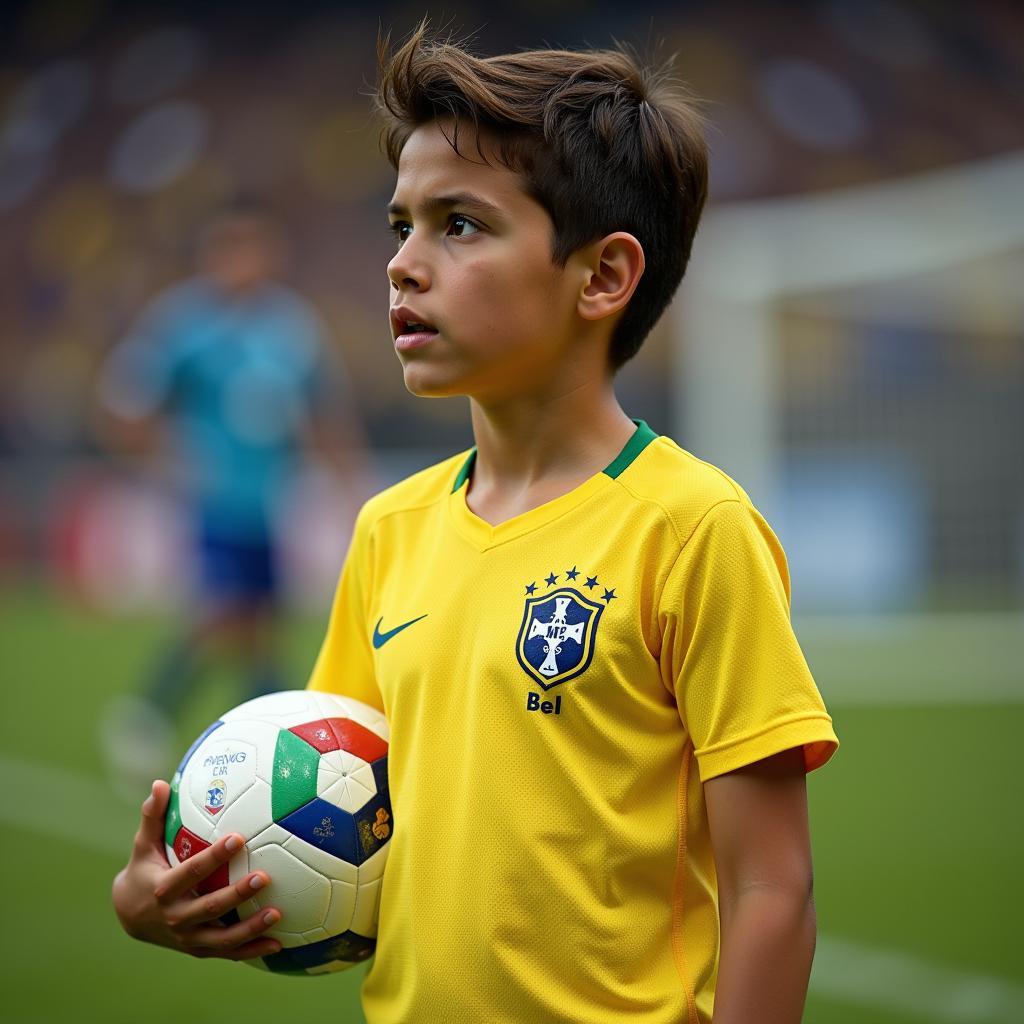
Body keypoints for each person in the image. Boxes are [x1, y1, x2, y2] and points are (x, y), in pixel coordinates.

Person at [113, 25, 839, 1024]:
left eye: (460, 225)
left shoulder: (690, 528)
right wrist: (182, 891)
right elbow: (334, 825)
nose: (403, 266)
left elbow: (773, 890)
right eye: (399, 225)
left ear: (601, 276)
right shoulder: (390, 529)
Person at [98, 199, 366, 794]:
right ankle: (149, 715)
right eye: (232, 247)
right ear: (212, 255)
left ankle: (260, 740)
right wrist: (166, 462)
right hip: (216, 501)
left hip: (268, 502)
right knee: (222, 612)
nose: (244, 261)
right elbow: (124, 404)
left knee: (262, 625)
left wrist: (347, 480)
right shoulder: (183, 324)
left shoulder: (290, 326)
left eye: (255, 247)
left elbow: (324, 410)